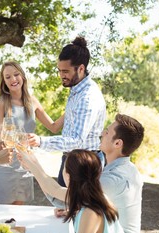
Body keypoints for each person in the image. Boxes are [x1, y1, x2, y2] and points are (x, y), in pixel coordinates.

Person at [20, 113, 145, 233]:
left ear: (117, 143)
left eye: (107, 132)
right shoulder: (127, 168)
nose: (102, 133)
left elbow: (58, 193)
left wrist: (32, 164)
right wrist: (76, 208)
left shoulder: (113, 180)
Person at [27, 36, 106, 187]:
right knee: (63, 208)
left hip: (85, 165)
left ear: (81, 69)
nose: (61, 75)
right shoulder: (76, 89)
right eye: (59, 71)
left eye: (65, 71)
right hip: (71, 159)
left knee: (76, 209)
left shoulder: (88, 97)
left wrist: (41, 141)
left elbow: (76, 140)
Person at [0, 61, 64, 205]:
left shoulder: (32, 101)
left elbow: (54, 127)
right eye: (8, 77)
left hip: (25, 166)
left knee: (18, 217)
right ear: (4, 81)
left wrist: (70, 109)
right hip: (4, 167)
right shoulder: (1, 103)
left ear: (22, 76)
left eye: (16, 75)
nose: (13, 80)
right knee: (1, 219)